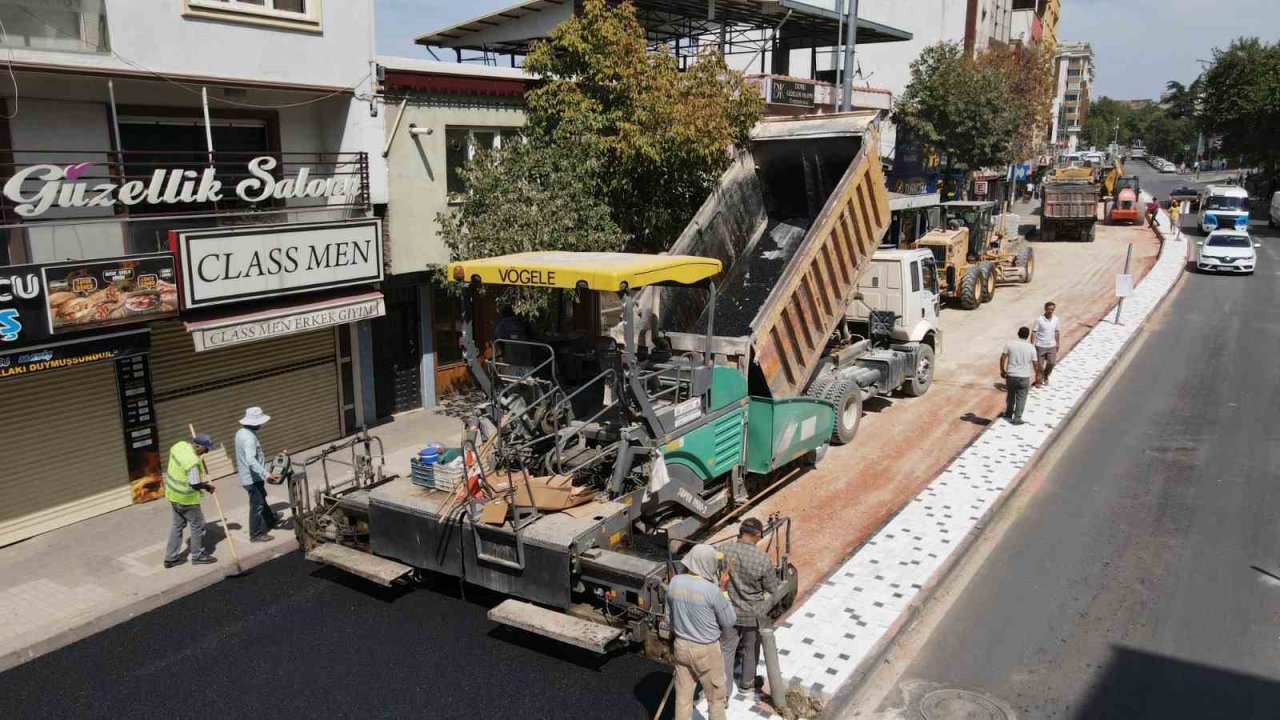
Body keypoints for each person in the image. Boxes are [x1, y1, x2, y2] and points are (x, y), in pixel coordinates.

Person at [667, 544, 736, 720]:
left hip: (681, 647)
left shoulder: (674, 582)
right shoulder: (712, 591)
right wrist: (723, 590)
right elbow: (729, 621)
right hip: (707, 651)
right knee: (716, 700)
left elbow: (669, 619)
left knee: (682, 699)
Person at [720, 518, 781, 694]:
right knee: (750, 647)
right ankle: (747, 683)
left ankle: (724, 692)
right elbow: (773, 587)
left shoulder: (723, 550)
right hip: (752, 613)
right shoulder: (762, 559)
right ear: (757, 534)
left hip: (728, 609)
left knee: (727, 649)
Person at [163, 434, 218, 568]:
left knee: (177, 525)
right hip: (186, 499)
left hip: (173, 494)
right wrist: (207, 486)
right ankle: (198, 556)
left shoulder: (179, 446)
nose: (207, 452)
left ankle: (170, 558)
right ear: (198, 446)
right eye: (206, 449)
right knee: (198, 525)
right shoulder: (192, 461)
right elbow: (195, 484)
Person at [235, 406, 280, 542]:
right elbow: (250, 460)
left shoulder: (240, 432)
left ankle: (270, 520)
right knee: (257, 505)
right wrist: (267, 474)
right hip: (252, 478)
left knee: (261, 498)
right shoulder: (249, 438)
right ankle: (255, 535)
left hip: (250, 476)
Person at [1000, 327, 1037, 425]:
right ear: (1028, 335)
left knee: (1011, 395)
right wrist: (1038, 375)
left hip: (1011, 375)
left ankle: (1008, 413)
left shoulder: (1010, 344)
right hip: (1024, 376)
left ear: (1018, 333)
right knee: (1021, 397)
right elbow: (1035, 363)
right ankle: (1017, 418)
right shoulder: (1031, 347)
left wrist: (1002, 370)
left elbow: (1003, 358)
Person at [1032, 302, 1061, 386]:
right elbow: (1034, 332)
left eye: (1052, 309)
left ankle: (1045, 375)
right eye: (1049, 309)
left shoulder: (1056, 319)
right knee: (1039, 365)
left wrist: (1057, 343)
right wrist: (1032, 344)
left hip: (1051, 345)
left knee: (1052, 363)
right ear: (1045, 309)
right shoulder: (1039, 320)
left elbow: (1057, 331)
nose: (1050, 311)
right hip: (1040, 345)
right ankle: (1039, 380)